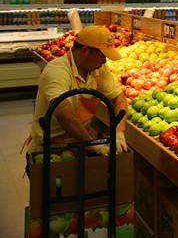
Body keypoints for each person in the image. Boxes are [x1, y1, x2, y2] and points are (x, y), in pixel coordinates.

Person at [25, 25, 130, 156]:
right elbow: (63, 112)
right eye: (103, 55)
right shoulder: (57, 70)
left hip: (79, 143)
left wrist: (119, 131)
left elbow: (119, 98)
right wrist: (92, 144)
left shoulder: (98, 69)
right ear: (85, 51)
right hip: (49, 149)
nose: (105, 61)